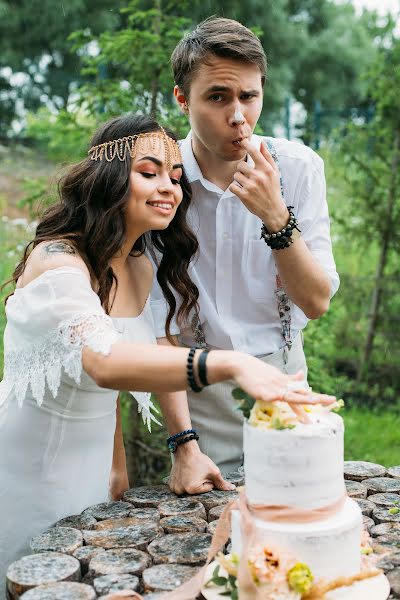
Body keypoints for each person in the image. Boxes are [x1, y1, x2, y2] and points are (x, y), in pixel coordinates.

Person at [0, 114, 334, 588]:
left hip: (90, 476)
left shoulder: (139, 263)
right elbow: (103, 361)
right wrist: (229, 363)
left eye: (176, 178)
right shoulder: (58, 260)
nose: (169, 189)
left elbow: (154, 345)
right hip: (22, 472)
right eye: (149, 172)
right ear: (109, 177)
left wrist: (142, 459)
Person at [150, 17, 340, 491]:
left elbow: (316, 302)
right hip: (196, 392)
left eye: (249, 97)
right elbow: (159, 326)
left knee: (298, 525)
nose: (238, 116)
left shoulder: (297, 169)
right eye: (218, 97)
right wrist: (184, 444)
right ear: (182, 99)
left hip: (284, 379)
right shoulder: (159, 182)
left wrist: (277, 217)